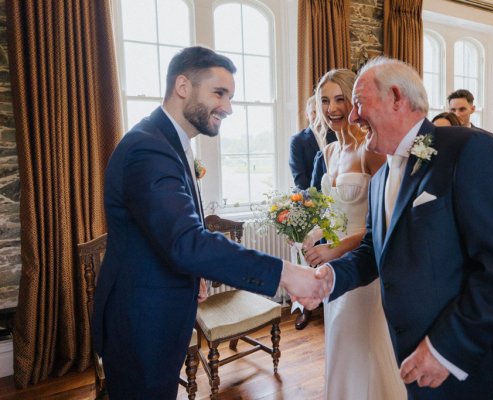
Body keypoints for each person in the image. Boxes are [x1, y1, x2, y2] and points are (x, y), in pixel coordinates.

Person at [302, 57, 493, 399]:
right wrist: (329, 279)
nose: (352, 116)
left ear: (396, 97)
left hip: (478, 361)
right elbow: (375, 252)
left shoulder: (467, 150)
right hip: (414, 357)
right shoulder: (378, 181)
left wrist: (445, 349)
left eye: (359, 103)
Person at [92, 46, 329, 399]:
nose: (228, 107)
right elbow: (186, 242)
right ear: (183, 86)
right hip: (142, 323)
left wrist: (193, 273)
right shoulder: (149, 149)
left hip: (157, 313)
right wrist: (285, 272)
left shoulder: (169, 142)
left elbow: (164, 233)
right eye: (219, 93)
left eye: (230, 96)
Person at [301, 69, 405, 399]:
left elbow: (384, 224)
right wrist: (315, 233)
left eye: (340, 99)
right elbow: (336, 211)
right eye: (325, 100)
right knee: (339, 340)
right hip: (334, 268)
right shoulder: (330, 153)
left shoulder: (371, 152)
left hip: (363, 270)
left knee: (364, 345)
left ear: (355, 102)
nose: (332, 108)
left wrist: (336, 250)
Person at [289, 95, 337, 330]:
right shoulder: (299, 140)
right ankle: (308, 309)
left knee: (333, 256)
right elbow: (300, 177)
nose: (319, 114)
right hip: (309, 207)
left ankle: (331, 299)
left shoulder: (337, 136)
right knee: (310, 259)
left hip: (337, 206)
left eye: (322, 109)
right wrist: (312, 206)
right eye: (313, 111)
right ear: (307, 114)